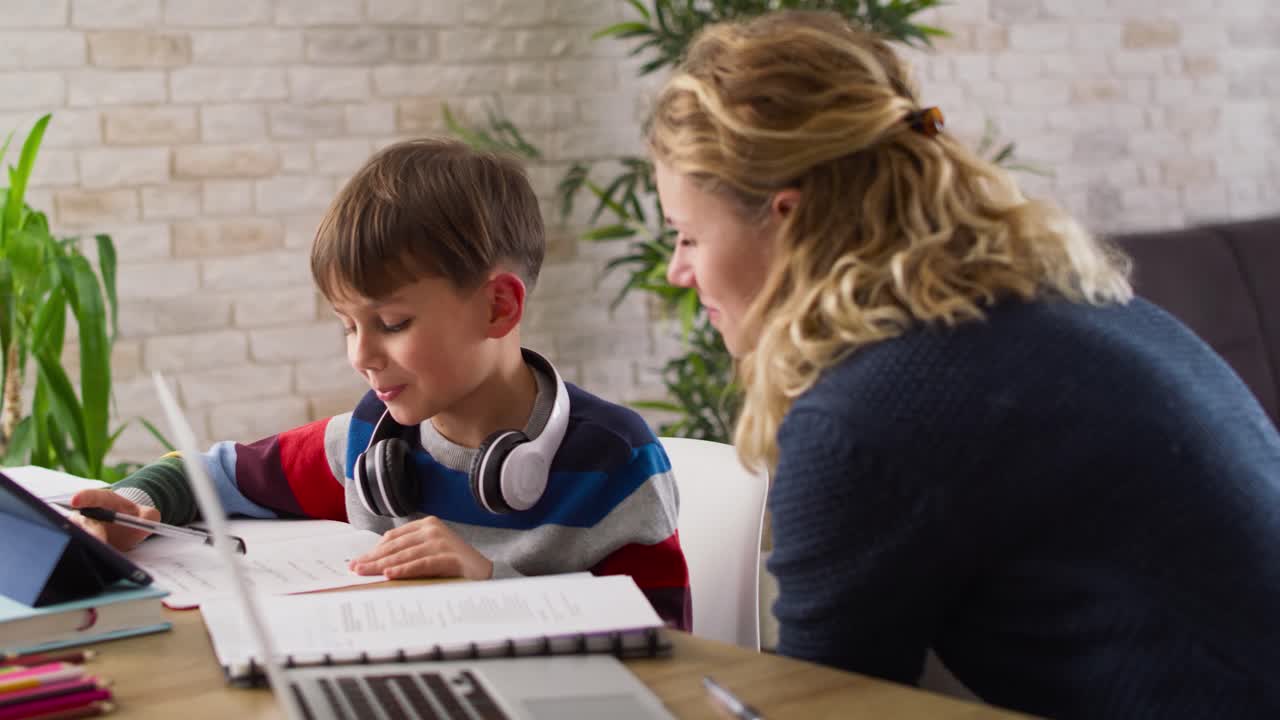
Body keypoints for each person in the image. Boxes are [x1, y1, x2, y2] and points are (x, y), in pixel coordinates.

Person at [647, 9, 1280, 718]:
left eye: (689, 237)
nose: (677, 271)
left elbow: (827, 709)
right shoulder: (1077, 304)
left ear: (788, 217)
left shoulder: (866, 419)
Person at [72, 138, 691, 630]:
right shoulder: (373, 440)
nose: (361, 355)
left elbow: (669, 647)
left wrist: (489, 585)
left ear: (499, 307)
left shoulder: (616, 463)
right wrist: (136, 507)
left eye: (392, 323)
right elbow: (216, 473)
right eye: (348, 326)